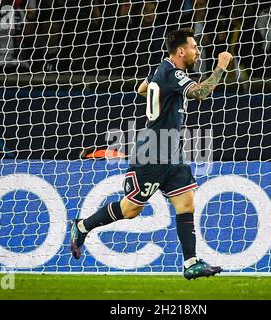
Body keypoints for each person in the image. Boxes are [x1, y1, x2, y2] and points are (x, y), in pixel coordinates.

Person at [70, 28, 232, 280]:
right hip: (154, 152)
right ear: (181, 51)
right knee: (131, 210)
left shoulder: (162, 69)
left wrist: (160, 90)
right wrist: (221, 67)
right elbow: (200, 93)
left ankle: (191, 263)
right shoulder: (174, 73)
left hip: (172, 151)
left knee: (186, 203)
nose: (198, 52)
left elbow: (141, 88)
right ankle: (82, 226)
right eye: (194, 47)